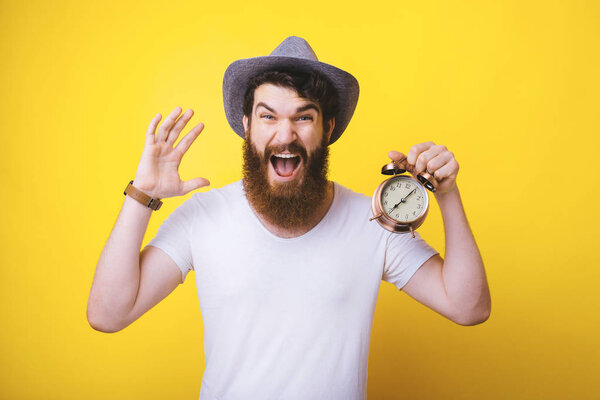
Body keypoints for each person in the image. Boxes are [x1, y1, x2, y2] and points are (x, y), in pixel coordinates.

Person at [87, 36, 491, 400]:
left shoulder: (373, 221)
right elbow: (108, 314)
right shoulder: (204, 217)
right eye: (268, 116)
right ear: (246, 127)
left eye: (303, 117)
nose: (285, 134)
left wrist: (448, 193)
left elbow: (468, 306)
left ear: (327, 128)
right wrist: (141, 196)